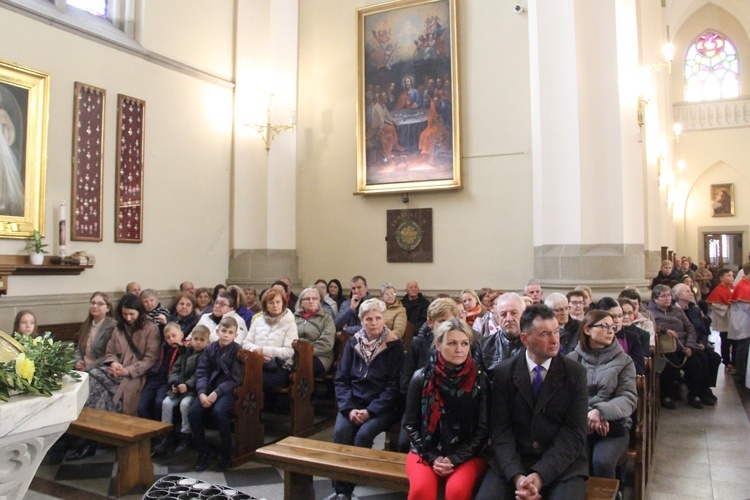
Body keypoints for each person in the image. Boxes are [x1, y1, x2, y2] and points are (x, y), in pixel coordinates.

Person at [476, 305, 588, 500]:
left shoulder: (575, 373)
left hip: (561, 462)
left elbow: (574, 433)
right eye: (545, 334)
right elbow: (501, 430)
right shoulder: (504, 372)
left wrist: (541, 474)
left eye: (556, 332)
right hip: (514, 460)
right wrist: (517, 476)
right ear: (525, 339)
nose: (555, 340)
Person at [403, 319, 489, 499]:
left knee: (457, 490)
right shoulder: (421, 377)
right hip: (425, 450)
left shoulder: (480, 380)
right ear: (438, 344)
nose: (460, 349)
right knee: (421, 490)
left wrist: (454, 458)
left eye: (464, 343)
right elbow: (411, 424)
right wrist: (434, 457)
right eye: (452, 343)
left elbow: (483, 430)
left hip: (469, 453)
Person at [69, 294, 161, 461]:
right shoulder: (119, 327)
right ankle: (90, 436)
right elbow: (110, 352)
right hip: (116, 370)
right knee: (92, 378)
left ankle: (91, 440)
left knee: (97, 382)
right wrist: (113, 363)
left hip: (136, 375)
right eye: (125, 314)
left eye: (132, 314)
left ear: (139, 312)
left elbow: (150, 359)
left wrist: (128, 370)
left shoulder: (150, 328)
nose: (128, 318)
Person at [330, 298, 403, 500]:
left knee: (363, 436)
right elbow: (342, 380)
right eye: (368, 319)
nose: (374, 323)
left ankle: (349, 487)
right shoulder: (353, 342)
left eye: (378, 318)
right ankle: (339, 490)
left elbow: (393, 387)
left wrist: (370, 411)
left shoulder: (393, 345)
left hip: (382, 406)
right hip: (353, 403)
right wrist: (349, 408)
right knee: (341, 433)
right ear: (361, 321)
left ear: (384, 319)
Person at [569, 310, 637, 479]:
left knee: (602, 462)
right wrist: (587, 415)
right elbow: (565, 397)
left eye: (612, 327)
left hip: (613, 425)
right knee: (577, 460)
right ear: (587, 330)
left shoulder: (624, 360)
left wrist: (601, 412)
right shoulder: (571, 359)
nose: (610, 330)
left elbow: (628, 397)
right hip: (580, 424)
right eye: (604, 326)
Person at [188, 317, 242, 472]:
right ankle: (204, 450)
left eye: (230, 332)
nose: (226, 335)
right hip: (208, 389)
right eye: (223, 331)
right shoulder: (210, 348)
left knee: (219, 412)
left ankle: (227, 451)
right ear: (217, 331)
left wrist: (216, 393)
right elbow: (202, 372)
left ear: (235, 335)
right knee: (193, 412)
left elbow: (235, 379)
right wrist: (202, 393)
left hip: (227, 391)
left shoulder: (237, 351)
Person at [648, 284, 713, 409]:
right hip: (665, 346)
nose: (667, 298)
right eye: (663, 296)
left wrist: (689, 346)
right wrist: (663, 329)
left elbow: (690, 328)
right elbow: (650, 327)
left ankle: (694, 395)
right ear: (655, 299)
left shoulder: (677, 311)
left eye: (668, 295)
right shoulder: (650, 312)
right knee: (672, 367)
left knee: (696, 365)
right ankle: (666, 395)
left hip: (683, 344)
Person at [153, 324, 210, 456]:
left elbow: (200, 374)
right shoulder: (184, 352)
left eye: (202, 340)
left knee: (185, 405)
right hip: (178, 387)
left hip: (193, 390)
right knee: (166, 403)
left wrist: (188, 385)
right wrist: (174, 382)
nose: (198, 342)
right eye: (196, 339)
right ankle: (165, 435)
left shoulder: (205, 355)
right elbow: (175, 369)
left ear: (207, 342)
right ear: (191, 340)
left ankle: (186, 436)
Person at [243, 287, 299, 390]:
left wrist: (264, 351)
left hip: (280, 367)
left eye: (278, 302)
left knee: (257, 381)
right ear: (265, 305)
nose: (275, 305)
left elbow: (289, 351)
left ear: (283, 303)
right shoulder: (258, 321)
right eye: (271, 303)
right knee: (241, 378)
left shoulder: (290, 323)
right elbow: (246, 343)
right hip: (258, 363)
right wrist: (257, 351)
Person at [673, 284, 721, 396]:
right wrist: (692, 344)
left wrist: (703, 343)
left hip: (699, 344)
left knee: (715, 358)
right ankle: (696, 392)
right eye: (687, 291)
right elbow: (681, 333)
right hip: (684, 346)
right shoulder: (673, 311)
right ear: (679, 295)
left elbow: (703, 331)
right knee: (700, 360)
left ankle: (706, 387)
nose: (691, 293)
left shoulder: (694, 310)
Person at [137, 322, 183, 420]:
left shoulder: (184, 350)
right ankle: (147, 429)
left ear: (181, 335)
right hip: (155, 378)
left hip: (167, 381)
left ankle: (159, 431)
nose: (171, 339)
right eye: (168, 337)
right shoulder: (162, 347)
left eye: (174, 336)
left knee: (159, 402)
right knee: (141, 406)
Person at [474, 293, 526, 376]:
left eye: (514, 313)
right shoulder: (483, 346)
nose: (508, 319)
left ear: (523, 315)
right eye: (503, 314)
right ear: (497, 317)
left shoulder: (534, 345)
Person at [596, 297, 646, 376]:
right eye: (613, 316)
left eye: (620, 316)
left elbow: (639, 368)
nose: (617, 320)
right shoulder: (594, 338)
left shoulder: (632, 337)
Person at [294, 286, 336, 377]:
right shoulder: (294, 317)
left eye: (314, 298)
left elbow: (326, 343)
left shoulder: (326, 318)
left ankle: (308, 391)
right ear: (301, 303)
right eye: (307, 299)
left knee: (303, 366)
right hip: (296, 354)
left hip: (320, 356)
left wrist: (306, 352)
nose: (311, 301)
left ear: (319, 301)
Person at [74, 292, 117, 372]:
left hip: (101, 368)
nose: (95, 306)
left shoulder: (113, 326)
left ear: (108, 308)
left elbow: (109, 355)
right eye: (93, 303)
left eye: (100, 304)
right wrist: (78, 361)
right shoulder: (86, 324)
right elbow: (78, 348)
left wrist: (89, 367)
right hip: (83, 367)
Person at [707, 268, 735, 373]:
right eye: (728, 275)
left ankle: (735, 362)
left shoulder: (733, 288)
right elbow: (715, 304)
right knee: (726, 342)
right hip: (725, 321)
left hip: (734, 321)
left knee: (735, 343)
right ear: (721, 278)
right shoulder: (718, 289)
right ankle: (727, 362)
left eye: (732, 275)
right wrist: (728, 307)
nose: (731, 277)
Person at [729, 262, 750, 384]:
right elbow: (747, 308)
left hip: (744, 323)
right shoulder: (744, 286)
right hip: (743, 324)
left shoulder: (745, 284)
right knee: (743, 351)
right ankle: (742, 378)